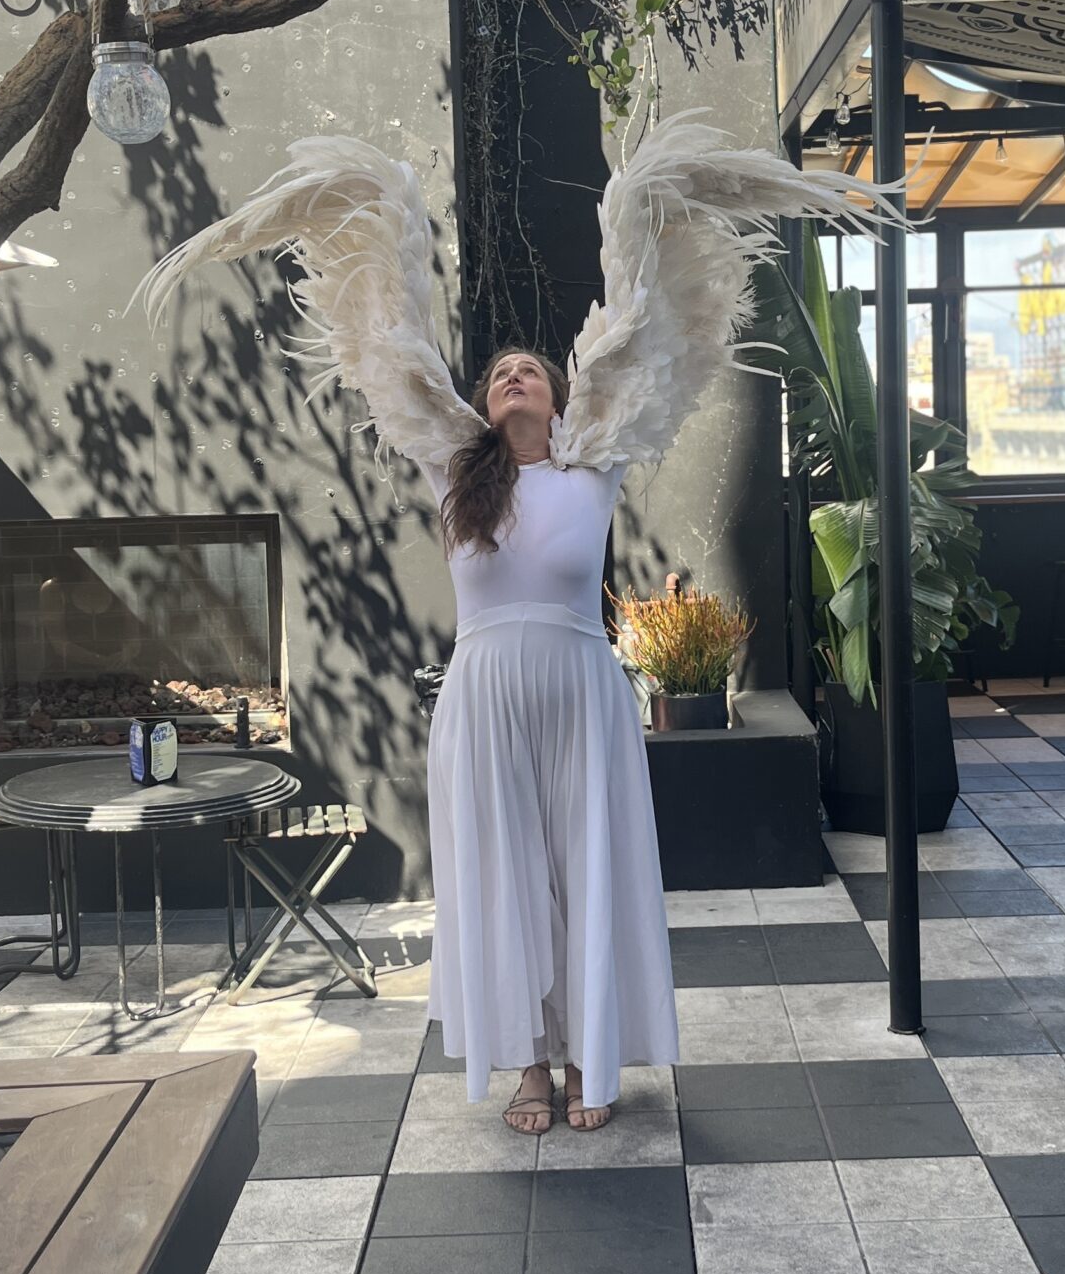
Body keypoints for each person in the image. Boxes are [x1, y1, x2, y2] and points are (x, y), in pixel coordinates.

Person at [135, 111, 891, 1135]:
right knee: (505, 884)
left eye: (528, 369)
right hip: (485, 697)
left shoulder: (594, 468)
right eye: (497, 374)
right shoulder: (456, 476)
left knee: (587, 874)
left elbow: (642, 325)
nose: (512, 377)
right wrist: (385, 219)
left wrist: (641, 213)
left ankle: (589, 1062)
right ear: (483, 405)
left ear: (561, 394)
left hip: (582, 693)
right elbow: (391, 343)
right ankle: (529, 1068)